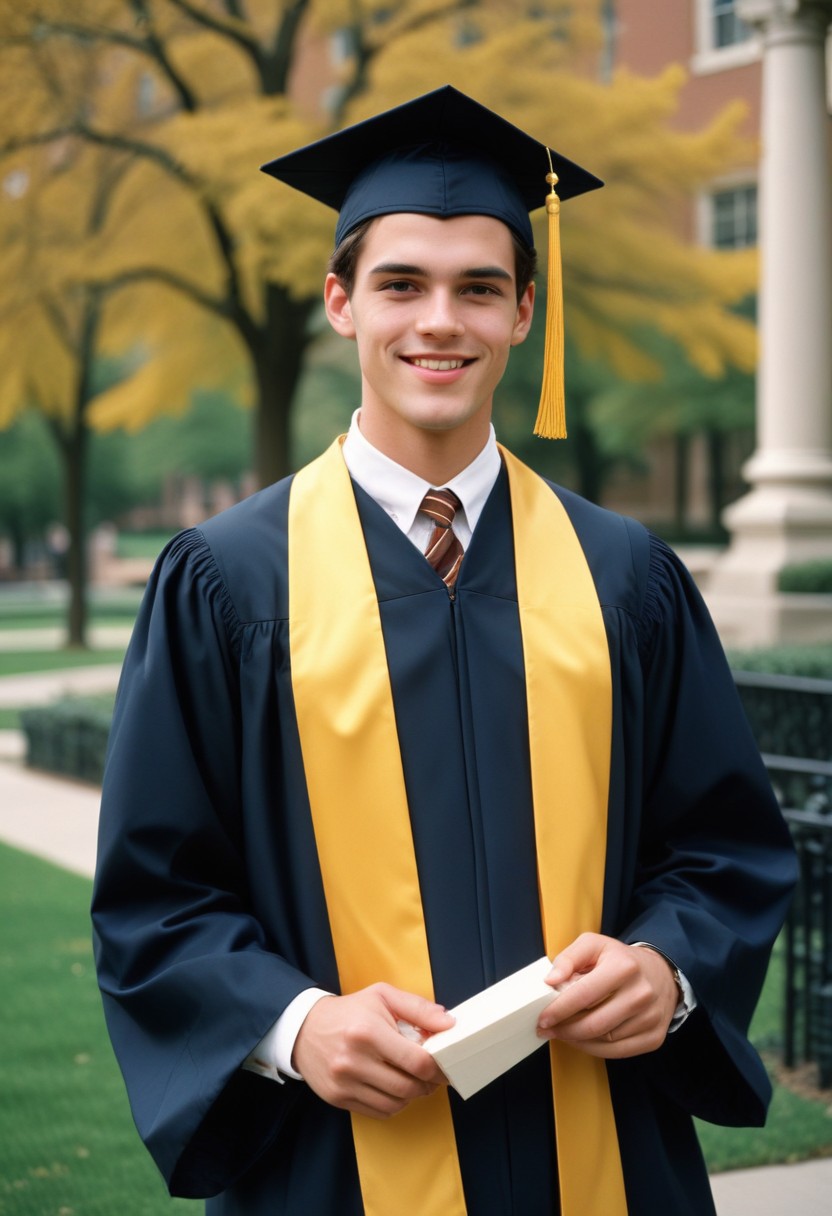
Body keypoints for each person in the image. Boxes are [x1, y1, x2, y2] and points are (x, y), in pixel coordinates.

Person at [92, 86, 797, 1216]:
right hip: (335, 1166)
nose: (439, 322)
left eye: (478, 288)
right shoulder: (229, 583)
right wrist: (295, 1024)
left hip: (602, 1150)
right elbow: (156, 897)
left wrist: (666, 970)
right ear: (340, 302)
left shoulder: (625, 577)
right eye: (400, 284)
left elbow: (720, 846)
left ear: (524, 310)